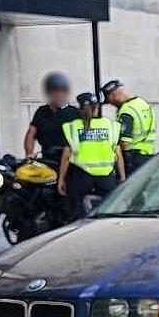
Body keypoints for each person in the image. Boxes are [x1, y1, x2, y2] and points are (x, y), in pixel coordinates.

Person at [58, 93, 126, 221]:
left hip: (81, 178)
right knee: (108, 213)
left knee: (78, 213)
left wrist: (61, 179)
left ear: (80, 109)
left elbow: (66, 156)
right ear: (97, 107)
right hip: (106, 178)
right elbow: (118, 155)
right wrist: (122, 178)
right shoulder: (111, 126)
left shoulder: (73, 127)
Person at [100, 79, 156, 176]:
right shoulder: (143, 103)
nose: (112, 104)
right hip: (148, 156)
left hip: (134, 159)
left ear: (114, 95)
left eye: (110, 100)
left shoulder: (126, 111)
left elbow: (125, 142)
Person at [24, 72, 81, 163]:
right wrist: (29, 154)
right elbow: (31, 134)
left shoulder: (74, 113)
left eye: (61, 91)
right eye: (54, 92)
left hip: (71, 160)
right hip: (48, 158)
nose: (58, 95)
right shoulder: (42, 112)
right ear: (49, 93)